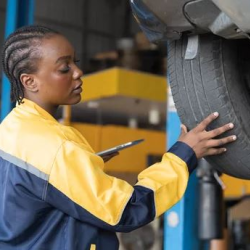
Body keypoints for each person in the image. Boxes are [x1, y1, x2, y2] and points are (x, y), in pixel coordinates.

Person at [0, 25, 236, 250]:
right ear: (29, 81)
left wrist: (83, 168)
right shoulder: (53, 146)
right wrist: (184, 154)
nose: (78, 72)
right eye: (64, 68)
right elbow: (127, 210)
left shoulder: (11, 130)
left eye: (76, 63)